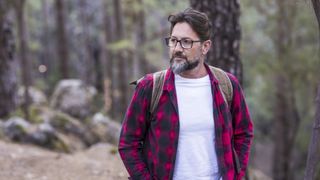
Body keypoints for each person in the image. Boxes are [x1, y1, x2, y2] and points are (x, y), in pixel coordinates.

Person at [118, 8, 253, 180]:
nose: (177, 48)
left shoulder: (226, 85)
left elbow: (244, 133)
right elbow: (128, 144)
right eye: (173, 41)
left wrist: (236, 175)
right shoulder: (150, 87)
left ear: (205, 46)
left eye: (186, 42)